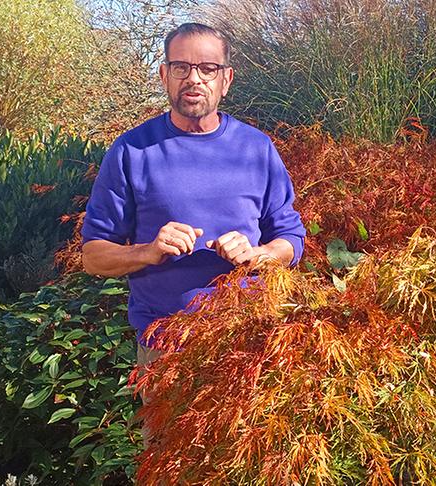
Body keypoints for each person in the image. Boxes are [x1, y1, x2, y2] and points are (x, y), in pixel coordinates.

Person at [80, 22, 306, 369]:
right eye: (181, 67)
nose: (194, 78)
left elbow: (291, 239)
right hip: (164, 350)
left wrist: (257, 254)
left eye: (207, 68)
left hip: (246, 344)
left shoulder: (256, 149)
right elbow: (94, 257)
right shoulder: (132, 151)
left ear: (226, 79)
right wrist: (148, 251)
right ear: (164, 75)